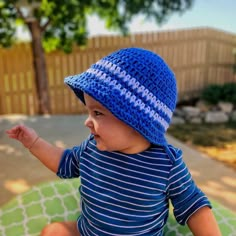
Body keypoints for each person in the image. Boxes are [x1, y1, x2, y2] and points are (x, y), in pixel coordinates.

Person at [6, 48, 221, 236]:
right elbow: (64, 162)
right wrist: (33, 142)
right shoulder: (92, 148)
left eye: (97, 113)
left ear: (137, 121)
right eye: (89, 111)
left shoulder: (166, 164)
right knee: (53, 232)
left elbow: (193, 206)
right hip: (88, 231)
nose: (87, 122)